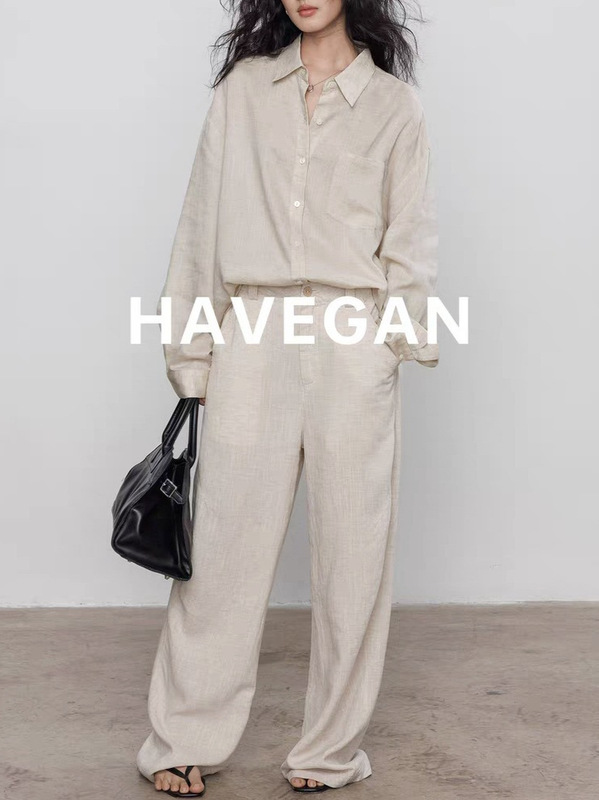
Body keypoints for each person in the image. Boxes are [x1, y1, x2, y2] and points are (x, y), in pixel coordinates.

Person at [136, 0, 439, 795]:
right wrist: (191, 351)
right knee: (220, 555)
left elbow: (409, 240)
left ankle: (328, 752)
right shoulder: (242, 91)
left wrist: (391, 344)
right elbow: (201, 226)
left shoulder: (393, 107)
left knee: (353, 561)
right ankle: (181, 739)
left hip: (351, 339)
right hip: (254, 332)